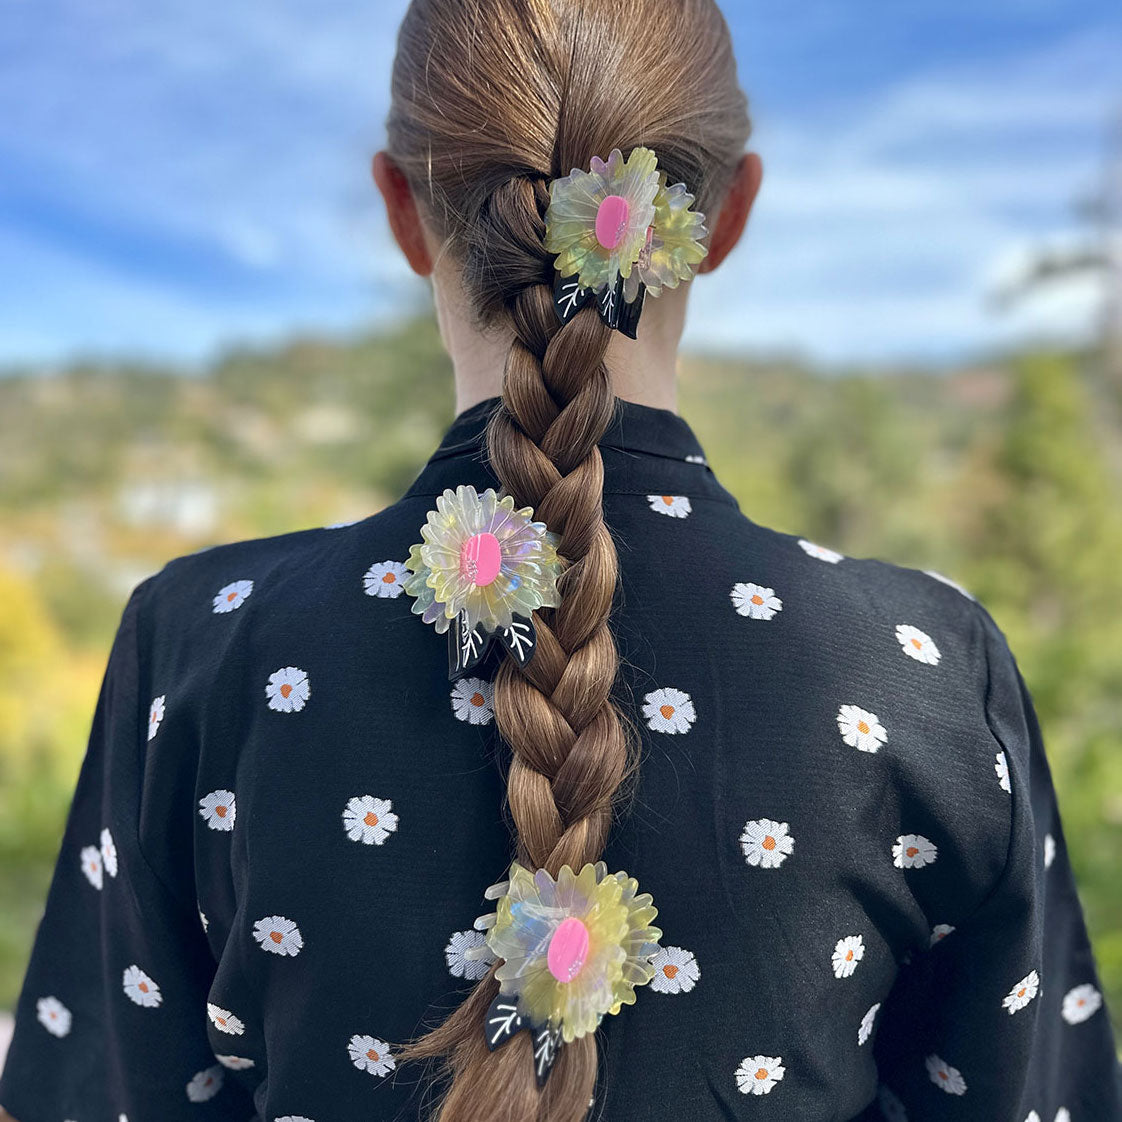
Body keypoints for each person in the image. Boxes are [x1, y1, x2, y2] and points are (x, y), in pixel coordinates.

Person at [2, 1, 1121, 1120]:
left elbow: (102, 1090)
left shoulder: (204, 641)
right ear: (727, 216)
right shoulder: (920, 671)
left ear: (401, 209)